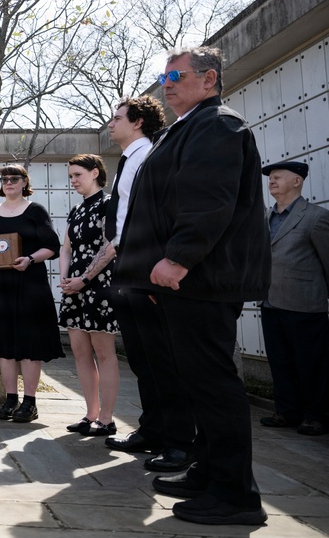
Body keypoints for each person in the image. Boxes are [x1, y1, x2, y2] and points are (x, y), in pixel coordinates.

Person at [114, 46, 271, 526]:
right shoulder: (187, 127)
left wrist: (179, 259)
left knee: (214, 384)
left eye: (177, 75)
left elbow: (207, 200)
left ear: (209, 79)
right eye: (163, 76)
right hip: (187, 282)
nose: (167, 83)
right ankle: (209, 471)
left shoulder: (217, 123)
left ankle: (235, 495)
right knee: (198, 383)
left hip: (203, 278)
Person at [94, 97, 195, 474]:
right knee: (142, 358)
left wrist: (153, 268)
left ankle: (181, 442)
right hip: (127, 262)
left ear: (137, 122)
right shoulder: (129, 160)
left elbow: (160, 215)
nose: (110, 124)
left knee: (162, 359)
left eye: (117, 118)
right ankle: (152, 429)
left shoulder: (148, 156)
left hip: (145, 266)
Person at [0, 164, 64, 423]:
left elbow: (52, 246)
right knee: (4, 346)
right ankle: (10, 399)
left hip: (29, 285)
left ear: (25, 182)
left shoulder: (35, 211)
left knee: (28, 346)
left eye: (14, 178)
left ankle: (30, 402)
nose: (9, 182)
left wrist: (30, 259)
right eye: (4, 179)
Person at [258, 161, 329, 437]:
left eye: (278, 177)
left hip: (304, 303)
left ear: (297, 181)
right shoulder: (264, 217)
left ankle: (316, 416)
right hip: (270, 300)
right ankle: (287, 411)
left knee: (311, 363)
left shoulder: (316, 217)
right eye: (270, 178)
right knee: (279, 360)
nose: (271, 181)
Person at [58, 154, 119, 437]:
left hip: (99, 285)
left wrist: (84, 279)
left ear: (95, 173)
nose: (73, 181)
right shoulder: (77, 210)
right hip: (75, 286)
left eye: (77, 175)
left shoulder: (109, 204)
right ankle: (90, 414)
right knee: (81, 352)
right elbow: (66, 248)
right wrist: (65, 279)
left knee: (104, 353)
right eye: (71, 176)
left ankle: (106, 419)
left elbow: (110, 247)